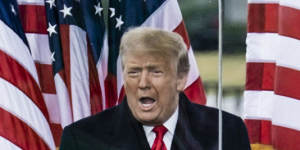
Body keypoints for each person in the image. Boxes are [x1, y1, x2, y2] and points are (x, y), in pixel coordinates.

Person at [59, 27, 251, 150]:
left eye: (155, 72)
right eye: (133, 72)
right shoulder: (81, 140)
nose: (143, 83)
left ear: (181, 78)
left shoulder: (226, 131)